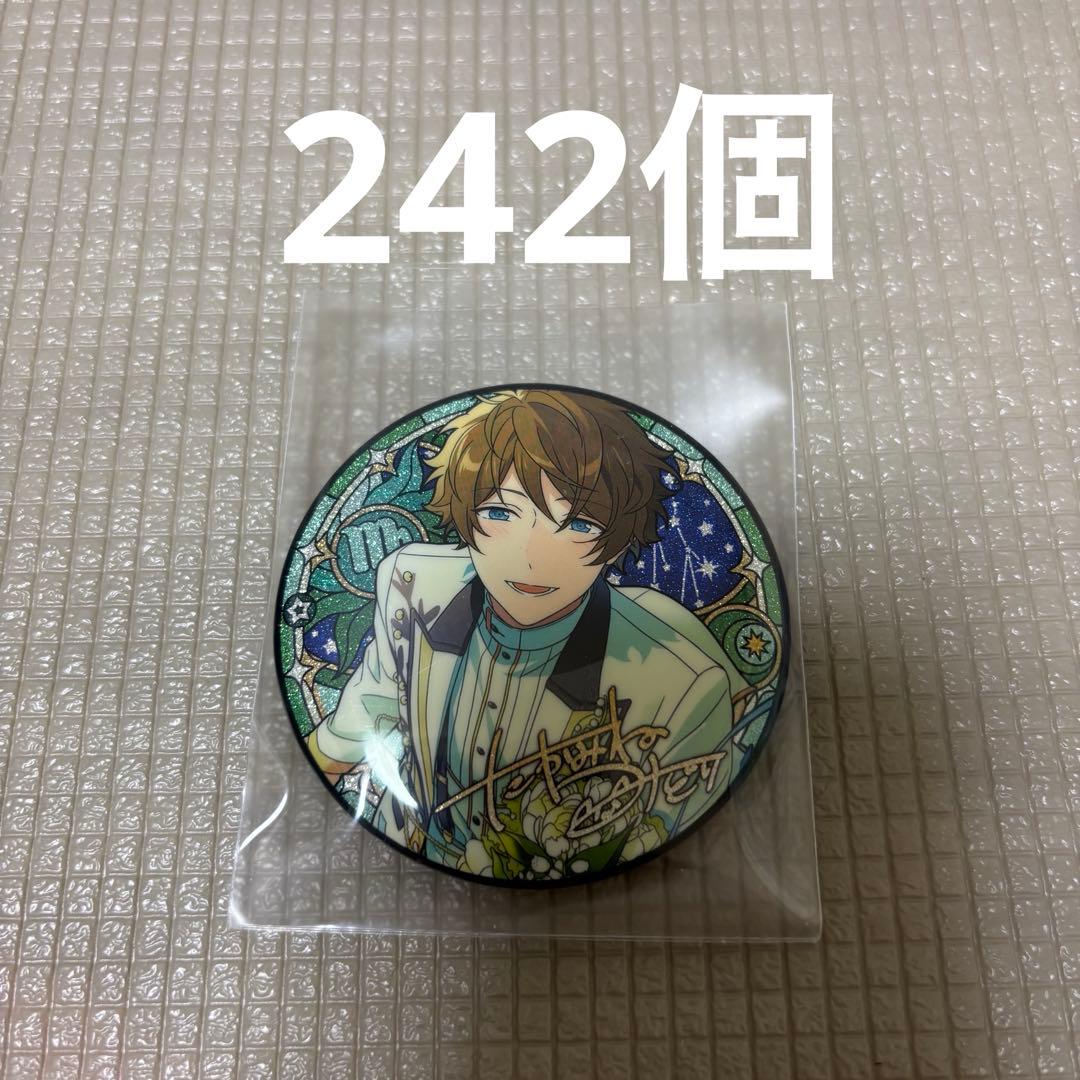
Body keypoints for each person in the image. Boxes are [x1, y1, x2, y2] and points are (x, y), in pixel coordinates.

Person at [305, 388, 743, 877]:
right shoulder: (410, 583)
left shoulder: (682, 689)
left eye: (578, 523)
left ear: (618, 542)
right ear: (463, 519)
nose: (531, 557)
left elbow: (657, 843)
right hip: (400, 852)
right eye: (499, 513)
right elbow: (369, 709)